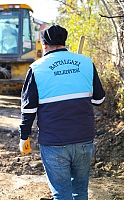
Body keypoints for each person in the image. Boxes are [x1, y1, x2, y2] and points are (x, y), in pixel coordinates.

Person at [18, 25, 105, 199]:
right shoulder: (86, 62)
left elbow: (29, 109)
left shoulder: (37, 68)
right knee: (80, 191)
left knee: (62, 194)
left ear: (44, 45)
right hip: (83, 140)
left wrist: (24, 136)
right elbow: (99, 100)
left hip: (54, 144)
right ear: (64, 42)